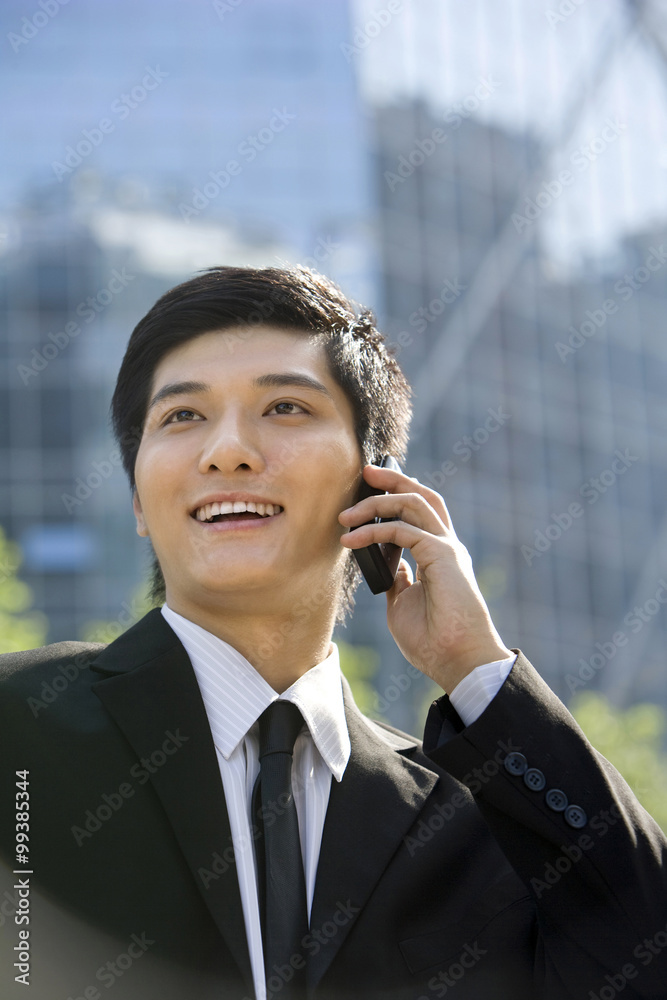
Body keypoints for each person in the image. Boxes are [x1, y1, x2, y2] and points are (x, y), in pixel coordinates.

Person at [1, 265, 666, 1000]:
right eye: (182, 417)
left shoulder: (473, 816)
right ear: (137, 498)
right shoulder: (17, 728)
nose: (227, 451)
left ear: (375, 484)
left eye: (284, 406)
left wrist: (477, 668)